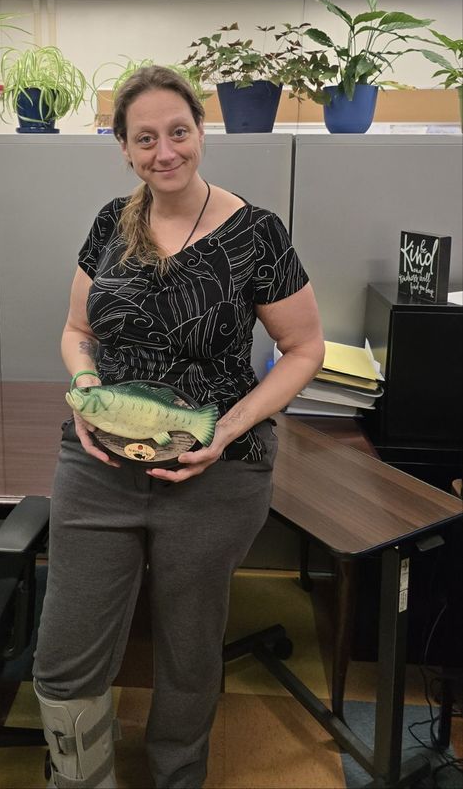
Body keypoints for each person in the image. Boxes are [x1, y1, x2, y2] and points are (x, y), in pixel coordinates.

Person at [33, 66, 324, 789]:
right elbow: (76, 331)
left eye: (177, 132)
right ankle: (80, 778)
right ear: (125, 150)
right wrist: (84, 382)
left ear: (199, 132)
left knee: (188, 650)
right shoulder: (111, 222)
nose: (164, 151)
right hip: (98, 466)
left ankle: (176, 777)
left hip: (214, 473)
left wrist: (229, 428)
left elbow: (303, 349)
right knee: (66, 655)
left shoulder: (256, 232)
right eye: (145, 138)